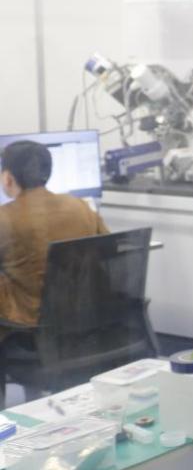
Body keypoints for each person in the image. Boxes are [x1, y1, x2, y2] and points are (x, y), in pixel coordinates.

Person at [0, 140, 109, 338]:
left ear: (7, 179)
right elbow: (109, 250)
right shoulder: (80, 207)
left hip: (28, 322)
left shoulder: (4, 218)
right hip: (82, 315)